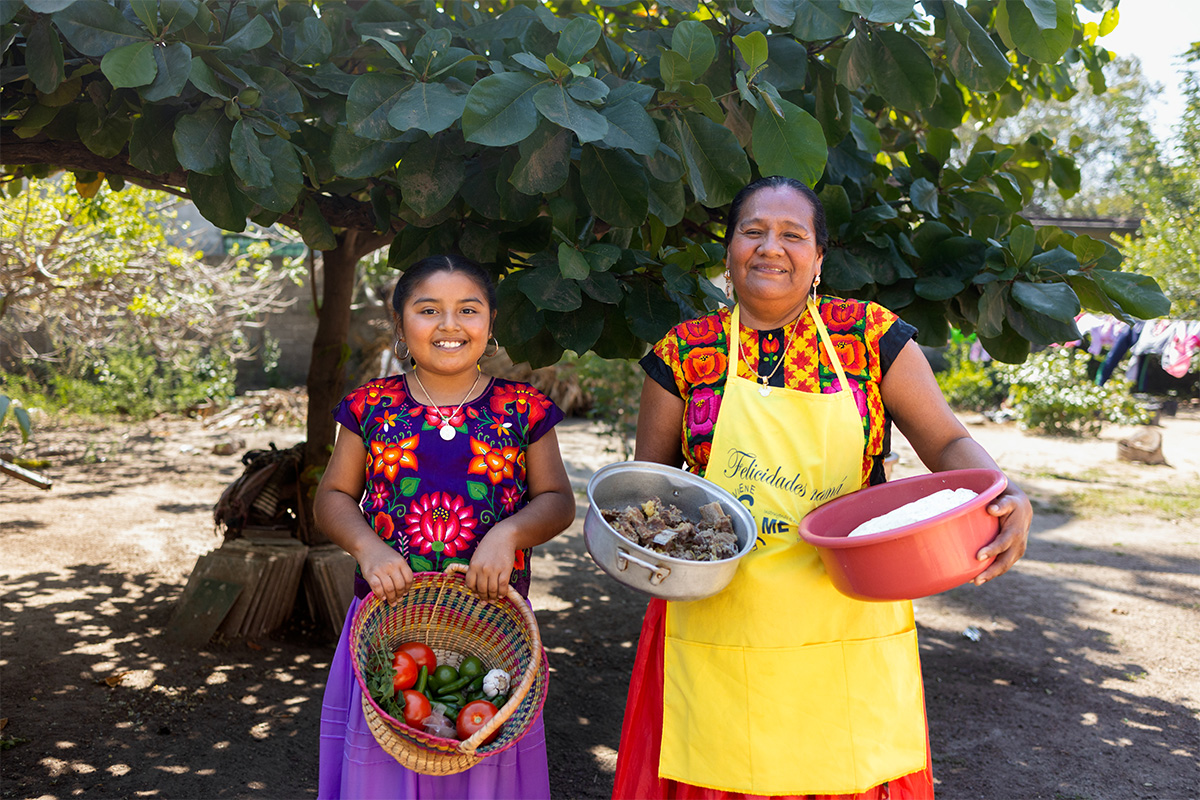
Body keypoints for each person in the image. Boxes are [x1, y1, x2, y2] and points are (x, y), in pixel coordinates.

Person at [612, 176, 1033, 800]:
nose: (770, 247)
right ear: (728, 250)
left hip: (849, 603)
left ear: (819, 258)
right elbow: (651, 497)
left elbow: (945, 443)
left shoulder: (868, 337)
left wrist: (1000, 489)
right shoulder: (684, 352)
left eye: (792, 234)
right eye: (752, 231)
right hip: (721, 615)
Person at [315, 254, 576, 800]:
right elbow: (333, 497)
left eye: (468, 310)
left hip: (491, 626)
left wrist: (508, 535)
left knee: (476, 745)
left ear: (491, 321)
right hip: (386, 624)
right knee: (387, 758)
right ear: (399, 321)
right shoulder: (370, 407)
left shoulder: (523, 409)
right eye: (428, 309)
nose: (449, 325)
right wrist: (368, 548)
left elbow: (556, 501)